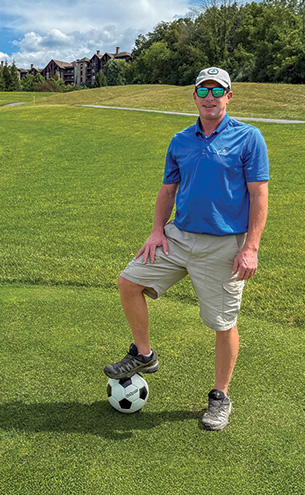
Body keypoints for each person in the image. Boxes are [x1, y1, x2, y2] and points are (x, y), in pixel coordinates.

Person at [103, 67, 269, 431]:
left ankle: (220, 396)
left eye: (218, 90)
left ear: (229, 96)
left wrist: (251, 247)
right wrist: (156, 231)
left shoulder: (249, 138)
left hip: (224, 245)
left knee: (223, 324)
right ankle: (144, 355)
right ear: (194, 96)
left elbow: (259, 195)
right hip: (178, 237)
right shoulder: (180, 140)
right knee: (129, 282)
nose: (210, 96)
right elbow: (167, 191)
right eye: (203, 89)